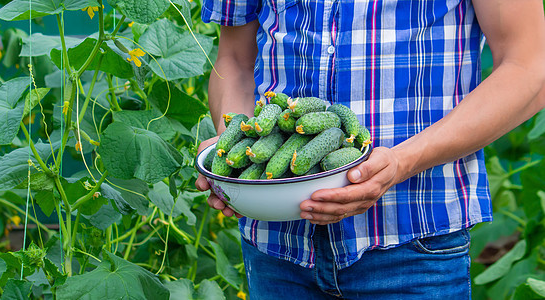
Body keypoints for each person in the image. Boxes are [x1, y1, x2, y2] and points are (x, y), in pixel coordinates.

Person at [196, 0, 545, 298]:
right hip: (276, 247)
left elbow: (529, 68)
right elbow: (233, 59)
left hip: (414, 244)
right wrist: (238, 159)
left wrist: (402, 162)